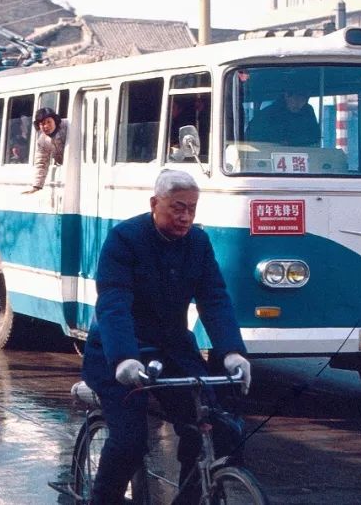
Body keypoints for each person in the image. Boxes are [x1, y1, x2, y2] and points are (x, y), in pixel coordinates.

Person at [81, 170, 251, 504]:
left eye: (192, 208)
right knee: (129, 441)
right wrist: (124, 359)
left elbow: (214, 298)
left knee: (215, 429)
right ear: (154, 203)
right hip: (120, 350)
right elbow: (114, 301)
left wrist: (232, 352)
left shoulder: (198, 243)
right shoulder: (125, 238)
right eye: (177, 207)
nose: (185, 216)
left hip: (173, 350)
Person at [246, 89, 320, 146]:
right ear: (286, 95)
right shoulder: (266, 115)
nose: (299, 104)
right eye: (296, 99)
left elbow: (315, 136)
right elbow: (251, 140)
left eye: (303, 100)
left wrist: (292, 142)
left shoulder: (307, 112)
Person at [23, 108, 68, 194]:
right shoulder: (42, 141)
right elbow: (41, 163)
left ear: (55, 120)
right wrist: (36, 186)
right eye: (42, 124)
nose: (46, 126)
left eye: (49, 122)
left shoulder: (68, 126)